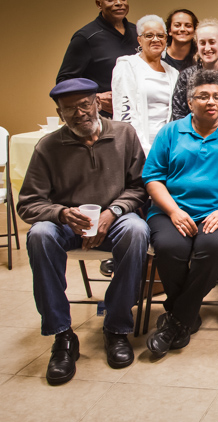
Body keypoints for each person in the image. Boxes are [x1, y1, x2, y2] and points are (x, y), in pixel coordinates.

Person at [18, 78, 149, 385]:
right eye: (69, 109)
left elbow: (140, 187)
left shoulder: (124, 135)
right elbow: (28, 204)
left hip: (113, 219)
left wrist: (112, 212)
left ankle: (116, 327)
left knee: (137, 230)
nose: (79, 114)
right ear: (59, 112)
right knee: (39, 235)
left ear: (97, 103)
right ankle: (62, 336)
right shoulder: (48, 147)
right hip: (66, 224)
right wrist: (60, 213)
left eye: (84, 104)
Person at [143, 70, 218, 357]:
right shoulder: (170, 132)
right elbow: (152, 178)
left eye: (217, 97)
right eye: (203, 96)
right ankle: (185, 316)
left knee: (211, 247)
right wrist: (173, 211)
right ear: (189, 100)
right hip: (171, 211)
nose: (211, 102)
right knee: (170, 247)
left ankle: (176, 317)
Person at [57, 0, 138, 118]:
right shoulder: (86, 37)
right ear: (99, 4)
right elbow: (64, 82)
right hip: (102, 117)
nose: (118, 3)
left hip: (137, 114)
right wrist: (96, 97)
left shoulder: (138, 33)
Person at [112, 15, 179, 155]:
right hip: (137, 149)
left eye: (160, 35)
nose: (156, 39)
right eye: (149, 35)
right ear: (139, 40)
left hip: (167, 149)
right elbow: (124, 114)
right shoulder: (127, 66)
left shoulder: (173, 72)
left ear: (166, 39)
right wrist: (144, 151)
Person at [171, 19, 218, 121]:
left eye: (212, 42)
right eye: (202, 43)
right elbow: (179, 114)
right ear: (197, 45)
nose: (207, 48)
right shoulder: (186, 76)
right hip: (192, 135)